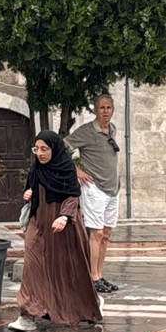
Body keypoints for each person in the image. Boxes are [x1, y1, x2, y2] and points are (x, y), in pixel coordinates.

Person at [9, 131, 102, 332]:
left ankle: (86, 304)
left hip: (63, 227)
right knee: (32, 265)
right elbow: (32, 190)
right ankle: (28, 315)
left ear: (55, 149)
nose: (40, 153)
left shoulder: (67, 168)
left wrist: (64, 216)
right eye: (37, 149)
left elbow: (72, 195)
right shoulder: (36, 168)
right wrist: (28, 194)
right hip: (38, 223)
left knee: (68, 270)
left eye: (45, 149)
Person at [65, 95, 121, 293]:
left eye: (109, 107)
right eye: (102, 108)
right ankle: (92, 277)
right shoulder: (87, 131)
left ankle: (100, 273)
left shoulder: (112, 130)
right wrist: (77, 170)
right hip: (95, 188)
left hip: (113, 189)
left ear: (113, 110)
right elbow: (63, 148)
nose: (106, 111)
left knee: (106, 234)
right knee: (96, 233)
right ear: (96, 110)